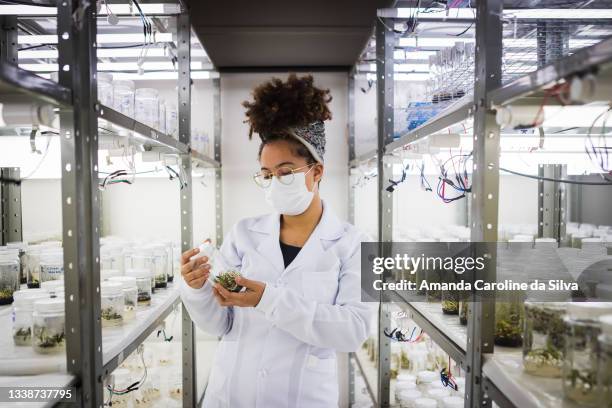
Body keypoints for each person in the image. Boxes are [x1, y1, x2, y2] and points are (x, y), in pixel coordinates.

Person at [180, 74, 371, 407]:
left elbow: (354, 331)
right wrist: (197, 288)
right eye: (267, 175)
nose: (274, 182)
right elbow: (220, 323)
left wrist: (267, 299)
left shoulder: (357, 244)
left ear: (317, 171)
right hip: (230, 394)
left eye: (285, 172)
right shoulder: (243, 233)